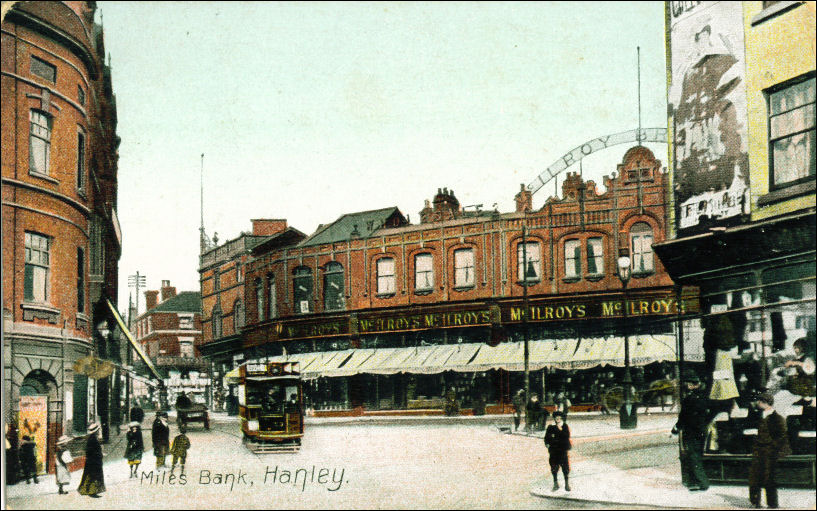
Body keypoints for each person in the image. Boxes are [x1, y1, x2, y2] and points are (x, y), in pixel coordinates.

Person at [749, 392, 791, 509]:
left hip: (769, 451)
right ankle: (756, 502)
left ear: (764, 403)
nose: (757, 403)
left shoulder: (777, 418)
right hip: (758, 450)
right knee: (755, 476)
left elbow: (782, 436)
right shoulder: (758, 415)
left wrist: (772, 446)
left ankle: (772, 504)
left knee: (769, 477)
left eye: (759, 401)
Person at [672, 371, 710, 491]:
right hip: (701, 430)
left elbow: (684, 416)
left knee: (693, 457)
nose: (687, 385)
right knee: (697, 455)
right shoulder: (704, 396)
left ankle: (701, 482)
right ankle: (697, 481)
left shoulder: (689, 399)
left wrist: (676, 428)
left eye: (688, 383)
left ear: (693, 385)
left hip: (691, 431)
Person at [544, 412, 571, 492]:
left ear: (561, 418)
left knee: (565, 467)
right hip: (553, 450)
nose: (557, 419)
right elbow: (546, 437)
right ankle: (555, 484)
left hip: (562, 450)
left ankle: (566, 484)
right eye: (556, 417)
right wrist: (547, 443)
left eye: (559, 417)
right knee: (554, 467)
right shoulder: (551, 427)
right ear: (554, 418)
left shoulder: (564, 426)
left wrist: (561, 430)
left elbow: (567, 436)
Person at [77, 422, 105, 498]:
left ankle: (90, 490)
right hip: (93, 461)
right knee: (93, 476)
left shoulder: (93, 438)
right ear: (96, 431)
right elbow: (92, 451)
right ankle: (92, 492)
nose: (99, 431)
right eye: (98, 430)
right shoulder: (93, 439)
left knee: (90, 475)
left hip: (93, 460)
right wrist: (99, 456)